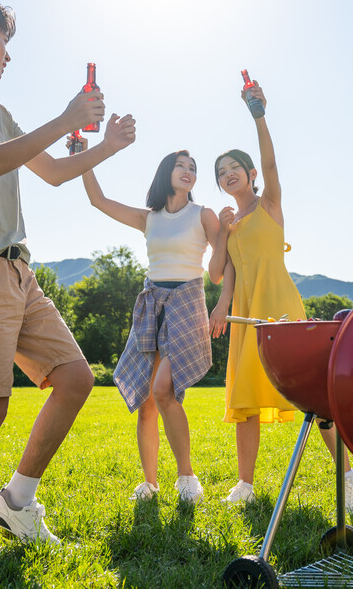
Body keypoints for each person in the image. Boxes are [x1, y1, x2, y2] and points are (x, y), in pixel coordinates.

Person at [0, 0, 136, 562]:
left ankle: (17, 500)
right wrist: (65, 118)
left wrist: (106, 146)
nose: (10, 53)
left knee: (75, 379)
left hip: (18, 273)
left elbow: (56, 173)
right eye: (4, 38)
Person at [208, 80, 353, 510]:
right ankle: (245, 485)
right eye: (221, 172)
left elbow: (272, 164)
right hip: (246, 317)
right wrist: (219, 238)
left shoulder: (269, 203)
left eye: (235, 166)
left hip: (281, 309)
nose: (228, 173)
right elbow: (220, 274)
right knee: (243, 401)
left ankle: (347, 479)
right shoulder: (230, 225)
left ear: (251, 174)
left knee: (312, 395)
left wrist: (258, 115)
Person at [79, 146, 219, 504]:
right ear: (165, 173)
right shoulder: (150, 218)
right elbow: (98, 199)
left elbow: (223, 260)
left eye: (193, 167)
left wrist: (224, 302)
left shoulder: (203, 214)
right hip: (152, 303)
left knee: (162, 390)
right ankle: (150, 483)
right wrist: (84, 157)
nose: (188, 171)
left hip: (187, 302)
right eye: (180, 166)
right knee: (146, 400)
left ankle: (187, 478)